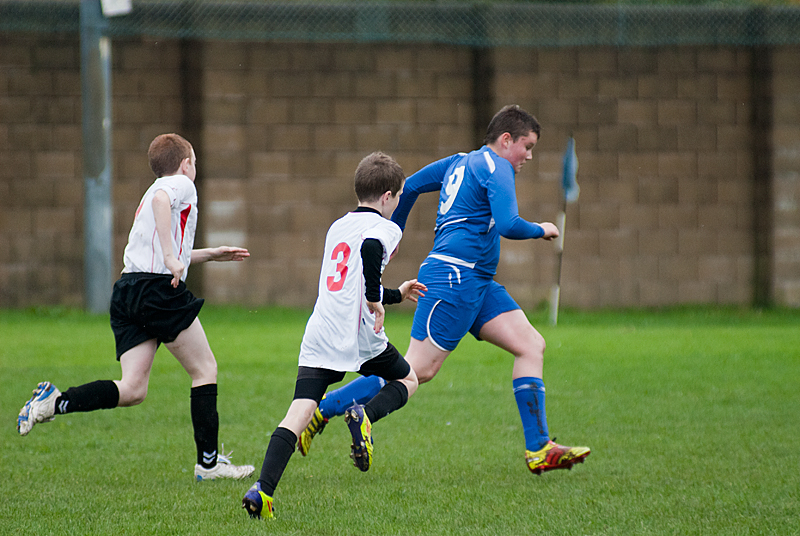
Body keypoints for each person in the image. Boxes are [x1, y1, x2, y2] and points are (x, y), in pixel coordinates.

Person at [299, 105, 590, 475]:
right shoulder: (497, 167)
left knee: (531, 345)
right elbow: (508, 223)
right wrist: (541, 229)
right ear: (506, 140)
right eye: (527, 147)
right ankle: (325, 410)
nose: (529, 156)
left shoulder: (460, 162)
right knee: (414, 371)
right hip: (455, 279)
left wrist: (395, 233)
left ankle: (539, 448)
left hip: (478, 281)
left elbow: (412, 186)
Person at [16, 133, 255, 482]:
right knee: (205, 370)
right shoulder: (179, 186)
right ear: (186, 164)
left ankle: (52, 402)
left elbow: (155, 250)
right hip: (157, 292)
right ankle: (209, 464)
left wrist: (208, 254)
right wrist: (174, 258)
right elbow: (163, 213)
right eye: (195, 163)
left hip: (128, 290)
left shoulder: (152, 192)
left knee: (132, 390)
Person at [242, 152, 426, 519]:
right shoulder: (387, 229)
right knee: (407, 378)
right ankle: (366, 415)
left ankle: (263, 491)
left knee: (299, 412)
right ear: (388, 196)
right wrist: (377, 299)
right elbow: (371, 253)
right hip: (357, 332)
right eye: (400, 196)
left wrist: (395, 294)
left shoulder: (338, 226)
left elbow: (351, 281)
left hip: (321, 329)